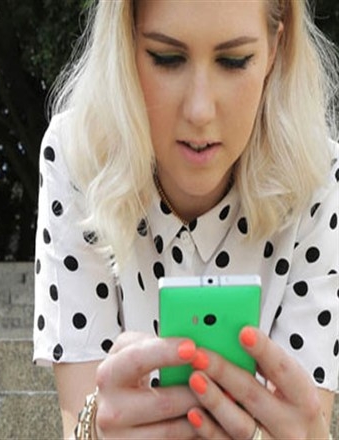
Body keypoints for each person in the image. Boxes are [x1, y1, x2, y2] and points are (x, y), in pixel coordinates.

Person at [33, 0, 339, 439]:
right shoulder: (79, 155)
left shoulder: (319, 176)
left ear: (275, 48)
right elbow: (78, 423)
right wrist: (94, 432)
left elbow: (305, 423)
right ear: (125, 44)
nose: (199, 110)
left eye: (234, 61)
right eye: (167, 58)